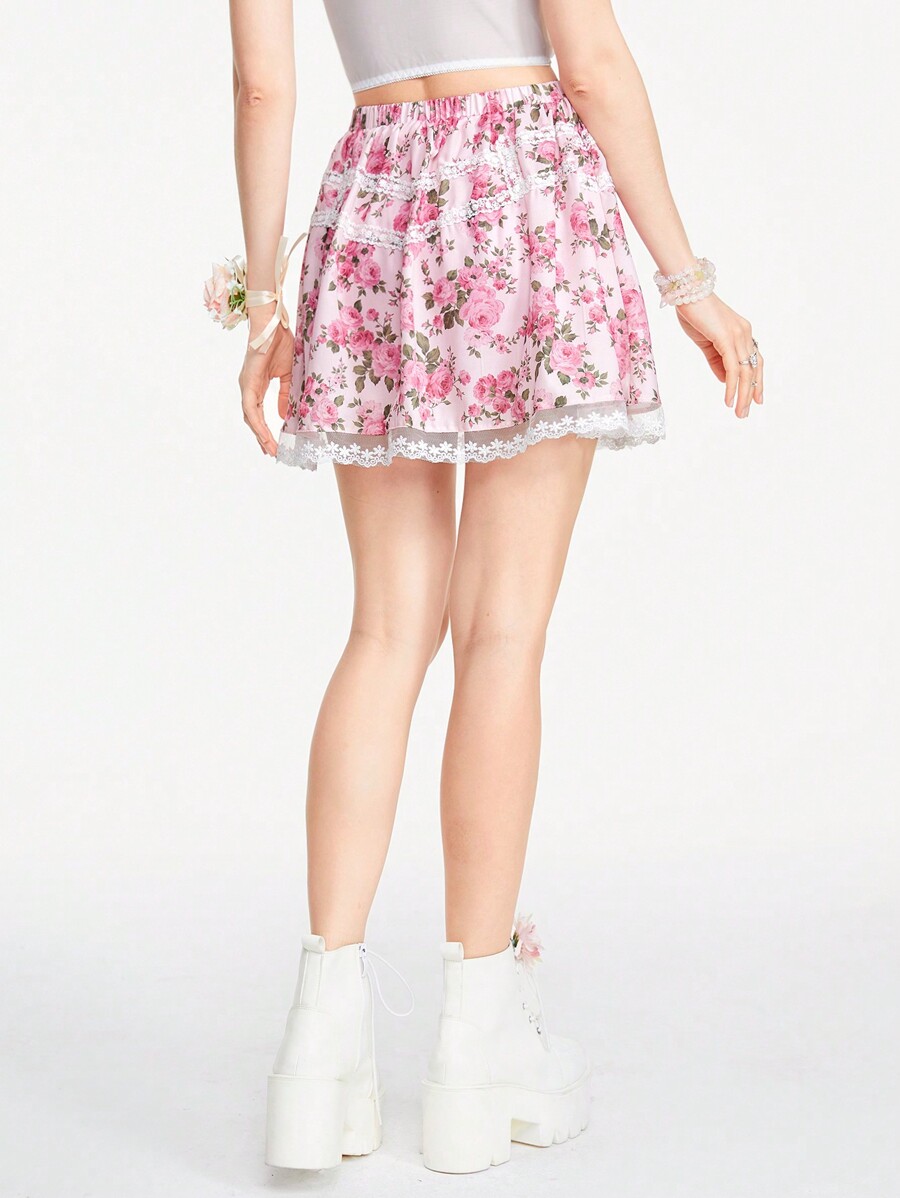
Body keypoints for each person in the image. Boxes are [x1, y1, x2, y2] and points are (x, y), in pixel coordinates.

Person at [225, 0, 762, 1175]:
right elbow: (594, 65)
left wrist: (264, 304)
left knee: (384, 630)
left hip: (373, 200)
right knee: (502, 633)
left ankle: (320, 1041)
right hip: (526, 196)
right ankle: (476, 1046)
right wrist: (689, 282)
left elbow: (263, 88)